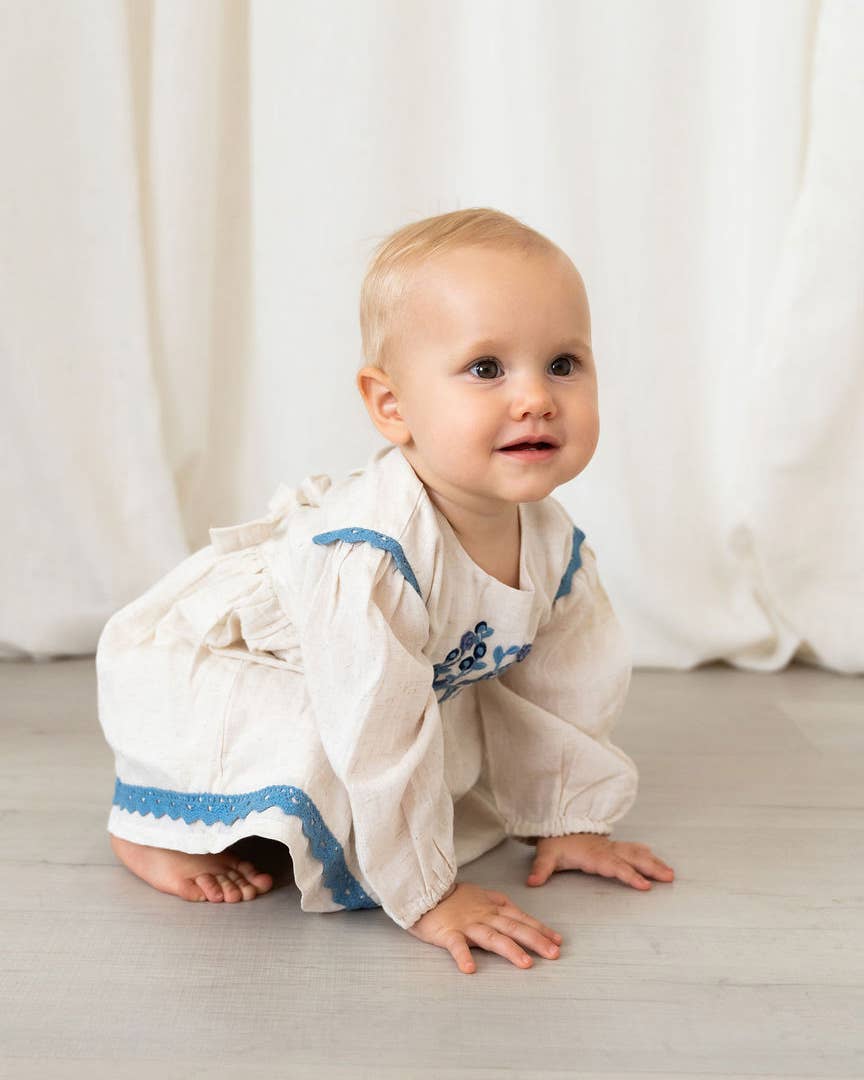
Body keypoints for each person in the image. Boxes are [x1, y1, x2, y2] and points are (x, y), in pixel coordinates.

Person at [96, 206, 675, 975]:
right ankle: (154, 830)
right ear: (391, 405)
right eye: (487, 369)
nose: (535, 397)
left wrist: (566, 817)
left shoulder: (551, 540)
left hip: (363, 683)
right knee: (328, 742)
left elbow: (562, 686)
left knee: (443, 739)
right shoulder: (374, 553)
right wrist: (428, 892)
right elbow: (373, 728)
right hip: (224, 667)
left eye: (563, 364)